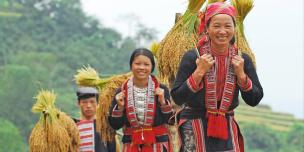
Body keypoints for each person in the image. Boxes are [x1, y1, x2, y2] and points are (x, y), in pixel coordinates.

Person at [170, 2, 264, 152]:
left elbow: (255, 99)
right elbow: (177, 97)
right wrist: (199, 72)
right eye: (216, 26)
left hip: (226, 125)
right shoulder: (193, 57)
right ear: (207, 29)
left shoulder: (242, 59)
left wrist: (241, 75)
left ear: (235, 29)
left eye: (227, 26)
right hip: (194, 124)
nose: (222, 31)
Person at [108, 48, 173, 152]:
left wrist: (163, 102)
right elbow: (115, 125)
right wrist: (120, 107)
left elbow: (171, 120)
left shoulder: (162, 89)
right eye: (138, 64)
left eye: (146, 64)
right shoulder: (121, 92)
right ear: (131, 66)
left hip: (158, 144)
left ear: (152, 67)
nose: (142, 67)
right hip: (131, 144)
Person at [74, 86, 116, 152]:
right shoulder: (73, 126)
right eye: (84, 102)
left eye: (92, 102)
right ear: (78, 103)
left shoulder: (105, 125)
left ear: (97, 103)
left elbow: (112, 149)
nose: (88, 106)